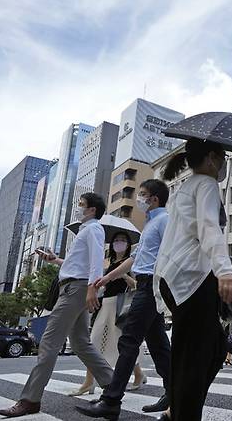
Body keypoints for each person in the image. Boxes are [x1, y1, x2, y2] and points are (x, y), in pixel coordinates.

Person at [0, 193, 114, 418]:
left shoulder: (93, 228)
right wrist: (54, 260)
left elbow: (97, 259)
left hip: (75, 290)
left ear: (91, 210)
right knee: (80, 343)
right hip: (75, 287)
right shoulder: (85, 230)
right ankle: (113, 386)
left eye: (81, 205)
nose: (77, 208)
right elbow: (77, 264)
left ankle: (30, 400)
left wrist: (93, 287)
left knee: (49, 342)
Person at [152, 139, 232, 420]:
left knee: (212, 348)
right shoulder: (206, 184)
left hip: (174, 276)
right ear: (213, 158)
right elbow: (208, 228)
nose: (225, 163)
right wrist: (224, 271)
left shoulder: (186, 187)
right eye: (223, 157)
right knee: (196, 356)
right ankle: (182, 414)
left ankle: (175, 409)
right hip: (191, 278)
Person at [76, 180, 172, 419]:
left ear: (154, 199)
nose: (139, 199)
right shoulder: (150, 223)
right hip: (144, 284)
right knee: (159, 347)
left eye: (142, 195)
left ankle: (111, 400)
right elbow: (135, 258)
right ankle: (175, 394)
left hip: (151, 285)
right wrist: (107, 277)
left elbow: (170, 254)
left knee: (128, 340)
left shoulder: (164, 221)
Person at [68, 232, 146, 396]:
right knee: (94, 341)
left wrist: (123, 274)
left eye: (123, 241)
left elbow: (136, 285)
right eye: (116, 240)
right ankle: (89, 382)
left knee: (124, 345)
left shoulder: (130, 262)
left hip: (120, 306)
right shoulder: (111, 263)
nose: (119, 243)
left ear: (128, 244)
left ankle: (138, 374)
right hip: (106, 306)